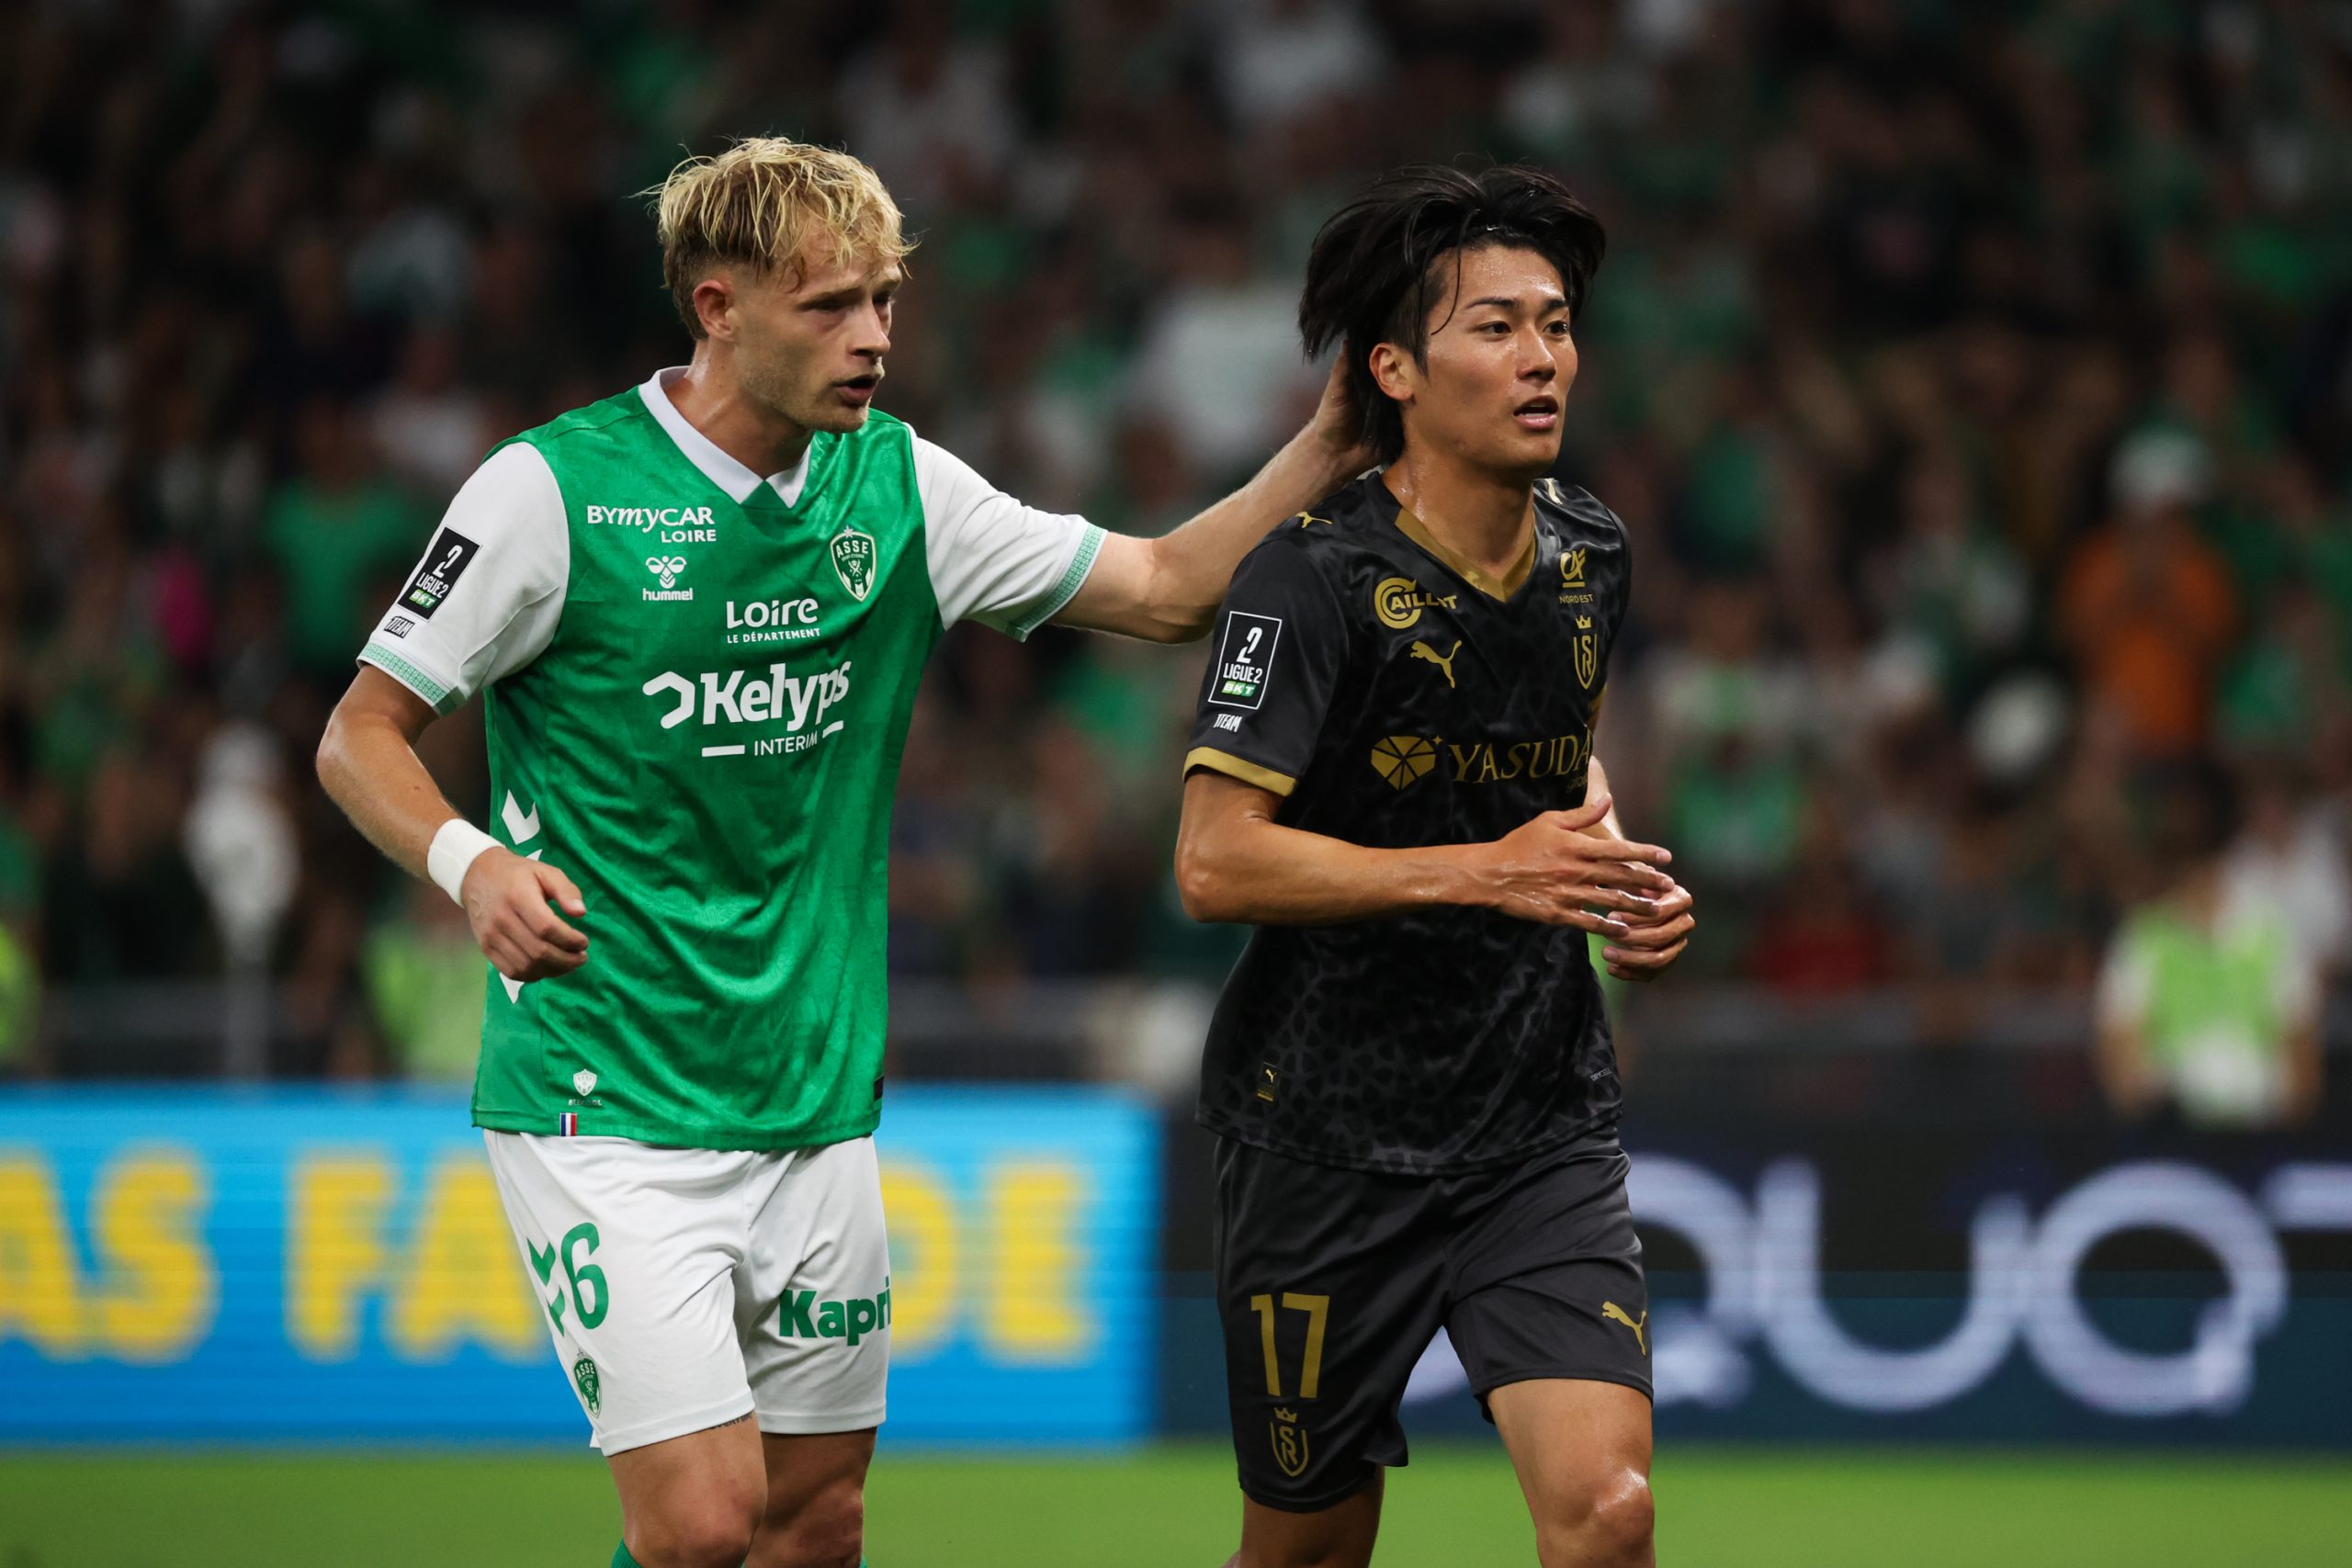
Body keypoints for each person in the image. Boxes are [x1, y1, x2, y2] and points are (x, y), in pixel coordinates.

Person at [315, 137, 1365, 1568]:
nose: (872, 337)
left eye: (883, 301)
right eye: (828, 306)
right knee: (699, 1523)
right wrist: (471, 865)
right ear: (716, 305)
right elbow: (359, 732)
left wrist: (1332, 439)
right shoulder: (549, 493)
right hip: (603, 1099)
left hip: (813, 1103)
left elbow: (1170, 587)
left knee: (816, 1520)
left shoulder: (902, 487)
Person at [1172, 165, 1695, 1568]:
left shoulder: (1594, 551)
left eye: (1558, 323)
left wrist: (1607, 868)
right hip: (1322, 1136)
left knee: (1611, 1516)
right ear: (1392, 368)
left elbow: (1551, 767)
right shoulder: (1310, 579)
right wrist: (1495, 871)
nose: (1543, 357)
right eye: (1497, 327)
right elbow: (1215, 864)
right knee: (1308, 1552)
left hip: (1537, 1120)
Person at [2096, 761, 2324, 1130]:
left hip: (2261, 1141)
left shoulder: (2272, 932)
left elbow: (2303, 1070)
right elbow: (2122, 1072)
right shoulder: (2142, 939)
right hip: (2172, 1146)